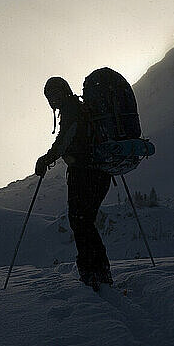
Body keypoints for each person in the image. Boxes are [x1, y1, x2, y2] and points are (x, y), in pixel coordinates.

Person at [35, 76, 112, 290]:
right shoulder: (82, 108)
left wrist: (46, 159)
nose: (52, 100)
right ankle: (100, 270)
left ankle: (91, 272)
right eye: (49, 97)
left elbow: (64, 140)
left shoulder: (71, 109)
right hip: (101, 172)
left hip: (84, 173)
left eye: (55, 95)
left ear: (64, 92)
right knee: (85, 221)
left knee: (80, 221)